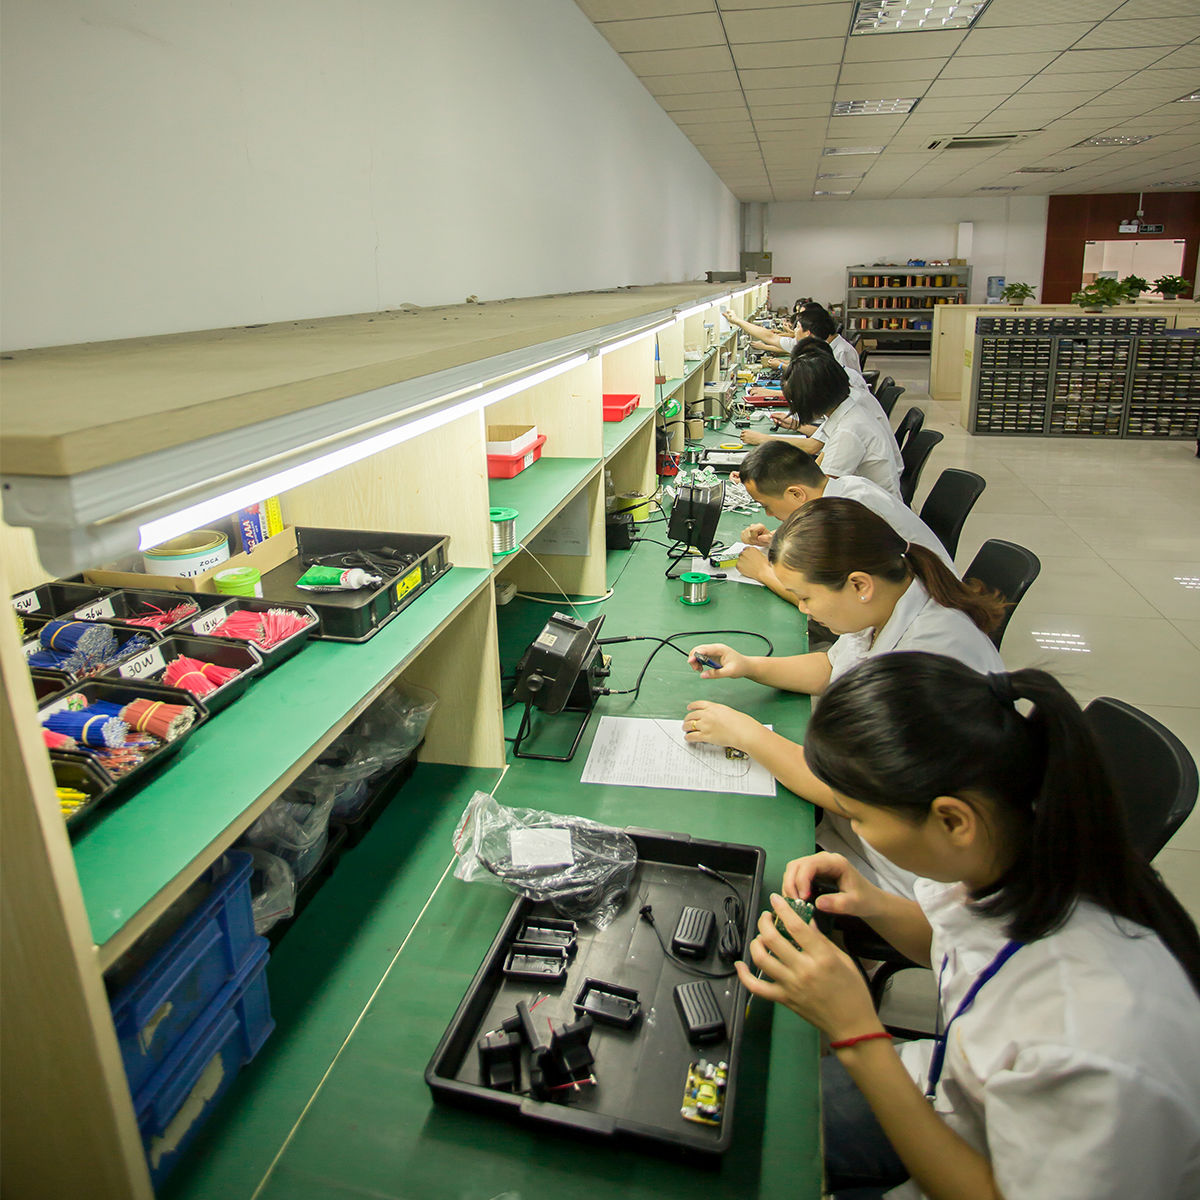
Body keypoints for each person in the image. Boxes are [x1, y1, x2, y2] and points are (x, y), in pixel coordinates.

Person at [739, 652, 1200, 1199]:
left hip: (987, 1167)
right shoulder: (1019, 849)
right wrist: (873, 903)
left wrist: (855, 1031)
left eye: (858, 817)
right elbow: (964, 947)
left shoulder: (1092, 1045)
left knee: (752, 1162)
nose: (854, 831)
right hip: (955, 1093)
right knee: (748, 1110)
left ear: (952, 820)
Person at [684, 497, 1005, 894]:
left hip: (906, 874)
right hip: (867, 821)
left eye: (806, 597)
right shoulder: (888, 598)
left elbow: (851, 795)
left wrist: (747, 735)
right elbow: (833, 667)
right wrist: (749, 665)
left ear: (858, 585)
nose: (803, 609)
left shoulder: (927, 654)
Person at [732, 440, 953, 606]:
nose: (769, 514)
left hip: (922, 610)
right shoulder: (847, 487)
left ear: (796, 494)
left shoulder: (846, 518)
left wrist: (762, 571)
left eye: (766, 505)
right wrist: (778, 540)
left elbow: (823, 602)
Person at [746, 342, 902, 499]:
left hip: (871, 510)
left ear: (812, 398)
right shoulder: (847, 412)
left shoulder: (848, 431)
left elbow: (817, 493)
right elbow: (818, 467)